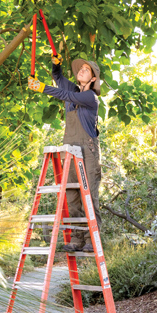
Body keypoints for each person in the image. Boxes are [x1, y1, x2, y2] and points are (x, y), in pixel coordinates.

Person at [29, 56, 103, 251]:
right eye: (81, 69)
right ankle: (77, 239)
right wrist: (56, 63)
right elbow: (57, 76)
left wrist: (41, 87)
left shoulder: (90, 98)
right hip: (69, 151)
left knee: (89, 197)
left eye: (87, 70)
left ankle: (91, 239)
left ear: (93, 79)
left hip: (88, 151)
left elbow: (65, 95)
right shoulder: (73, 89)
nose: (81, 71)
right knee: (72, 197)